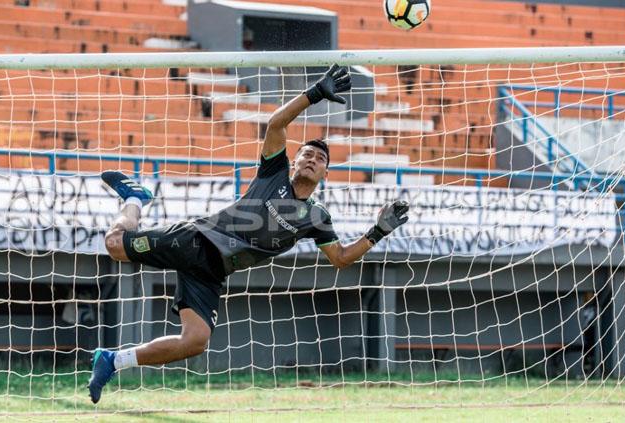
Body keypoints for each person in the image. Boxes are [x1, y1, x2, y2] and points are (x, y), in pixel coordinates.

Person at [87, 64, 410, 403]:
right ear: (295, 161)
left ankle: (112, 360)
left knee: (195, 341)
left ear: (326, 173)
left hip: (213, 270)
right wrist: (314, 94)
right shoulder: (274, 174)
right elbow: (276, 124)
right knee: (114, 246)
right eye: (307, 154)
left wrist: (379, 231)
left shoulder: (316, 217)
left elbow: (341, 258)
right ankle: (136, 198)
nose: (313, 159)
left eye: (320, 158)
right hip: (197, 240)